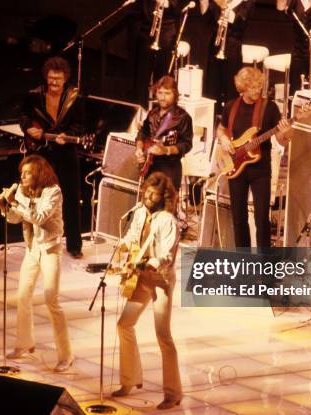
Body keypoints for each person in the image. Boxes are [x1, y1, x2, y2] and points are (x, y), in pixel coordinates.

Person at [111, 172, 182, 410]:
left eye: (155, 194)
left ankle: (173, 393)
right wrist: (123, 245)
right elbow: (133, 236)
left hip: (160, 280)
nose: (149, 196)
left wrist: (146, 263)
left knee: (163, 335)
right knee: (124, 324)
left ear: (164, 197)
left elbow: (166, 256)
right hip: (140, 277)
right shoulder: (140, 212)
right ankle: (130, 380)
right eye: (147, 192)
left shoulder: (167, 220)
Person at [0, 154, 74, 372]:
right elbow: (16, 218)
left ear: (39, 173)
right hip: (32, 249)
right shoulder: (21, 191)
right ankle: (24, 342)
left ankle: (66, 355)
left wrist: (14, 202)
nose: (22, 176)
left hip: (50, 249)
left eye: (27, 172)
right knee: (23, 295)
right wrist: (5, 207)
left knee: (52, 300)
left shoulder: (53, 192)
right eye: (21, 173)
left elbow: (39, 217)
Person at [216, 67, 290, 247]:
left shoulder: (269, 107)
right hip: (236, 166)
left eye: (259, 87)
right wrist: (224, 139)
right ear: (243, 88)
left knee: (262, 219)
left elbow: (281, 140)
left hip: (260, 170)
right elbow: (221, 129)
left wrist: (286, 131)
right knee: (239, 218)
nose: (258, 91)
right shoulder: (231, 106)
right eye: (253, 88)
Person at [20, 56, 84, 259]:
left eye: (58, 78)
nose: (54, 82)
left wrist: (68, 134)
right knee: (35, 196)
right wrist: (29, 128)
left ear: (65, 78)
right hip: (40, 153)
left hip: (65, 152)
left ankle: (74, 245)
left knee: (71, 198)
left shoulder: (75, 96)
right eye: (51, 78)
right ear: (46, 78)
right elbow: (23, 117)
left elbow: (81, 124)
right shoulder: (34, 95)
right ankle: (33, 243)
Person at [128, 0, 192, 106]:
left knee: (163, 79)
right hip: (145, 34)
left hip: (168, 36)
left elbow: (182, 6)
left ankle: (161, 115)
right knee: (140, 80)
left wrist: (168, 3)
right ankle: (140, 114)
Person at [135, 75, 193, 191]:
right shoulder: (153, 113)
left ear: (175, 94)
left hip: (169, 170)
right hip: (150, 168)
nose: (162, 97)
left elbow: (186, 145)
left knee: (167, 207)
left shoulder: (183, 117)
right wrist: (139, 149)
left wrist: (166, 150)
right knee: (147, 204)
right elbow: (142, 133)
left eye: (167, 93)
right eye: (160, 93)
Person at [202, 0, 255, 114]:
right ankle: (211, 120)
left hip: (233, 48)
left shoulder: (246, 2)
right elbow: (207, 20)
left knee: (231, 88)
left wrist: (225, 10)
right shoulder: (217, 2)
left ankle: (229, 122)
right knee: (211, 87)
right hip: (215, 47)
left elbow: (239, 21)